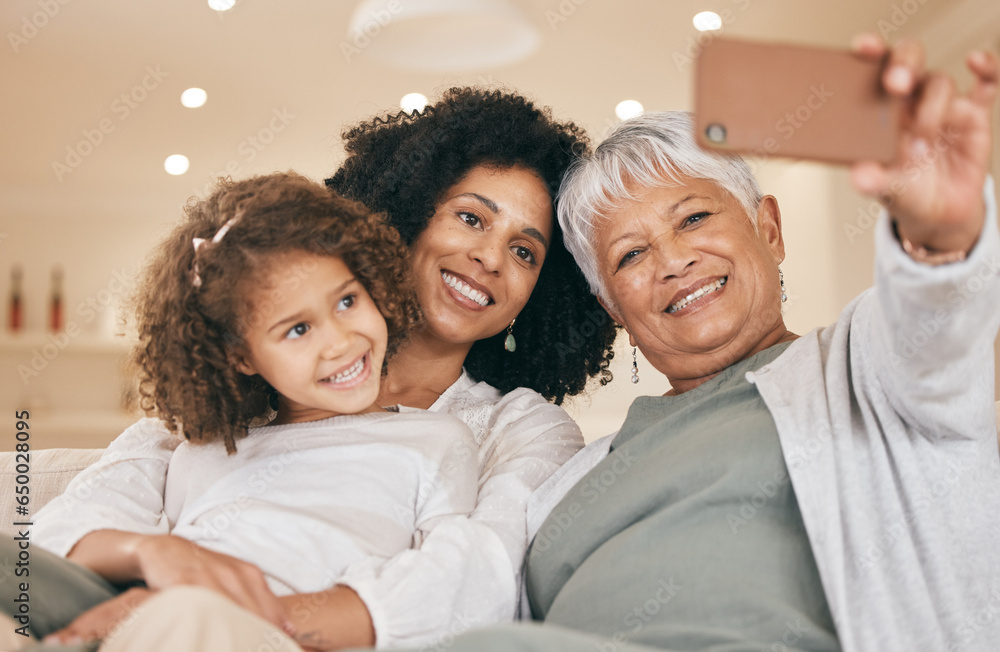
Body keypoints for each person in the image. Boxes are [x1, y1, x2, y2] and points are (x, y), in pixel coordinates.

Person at [24, 88, 618, 651]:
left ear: (540, 291)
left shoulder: (515, 429)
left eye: (524, 251)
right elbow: (64, 529)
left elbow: (480, 577)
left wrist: (247, 614)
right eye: (470, 218)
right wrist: (152, 558)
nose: (491, 257)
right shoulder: (221, 410)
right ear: (407, 216)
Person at [0, 172, 482, 648]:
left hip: (253, 636)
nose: (340, 342)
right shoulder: (201, 449)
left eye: (347, 301)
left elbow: (452, 581)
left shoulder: (437, 441)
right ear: (242, 358)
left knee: (188, 615)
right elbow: (53, 534)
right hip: (148, 627)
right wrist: (151, 551)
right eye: (297, 330)